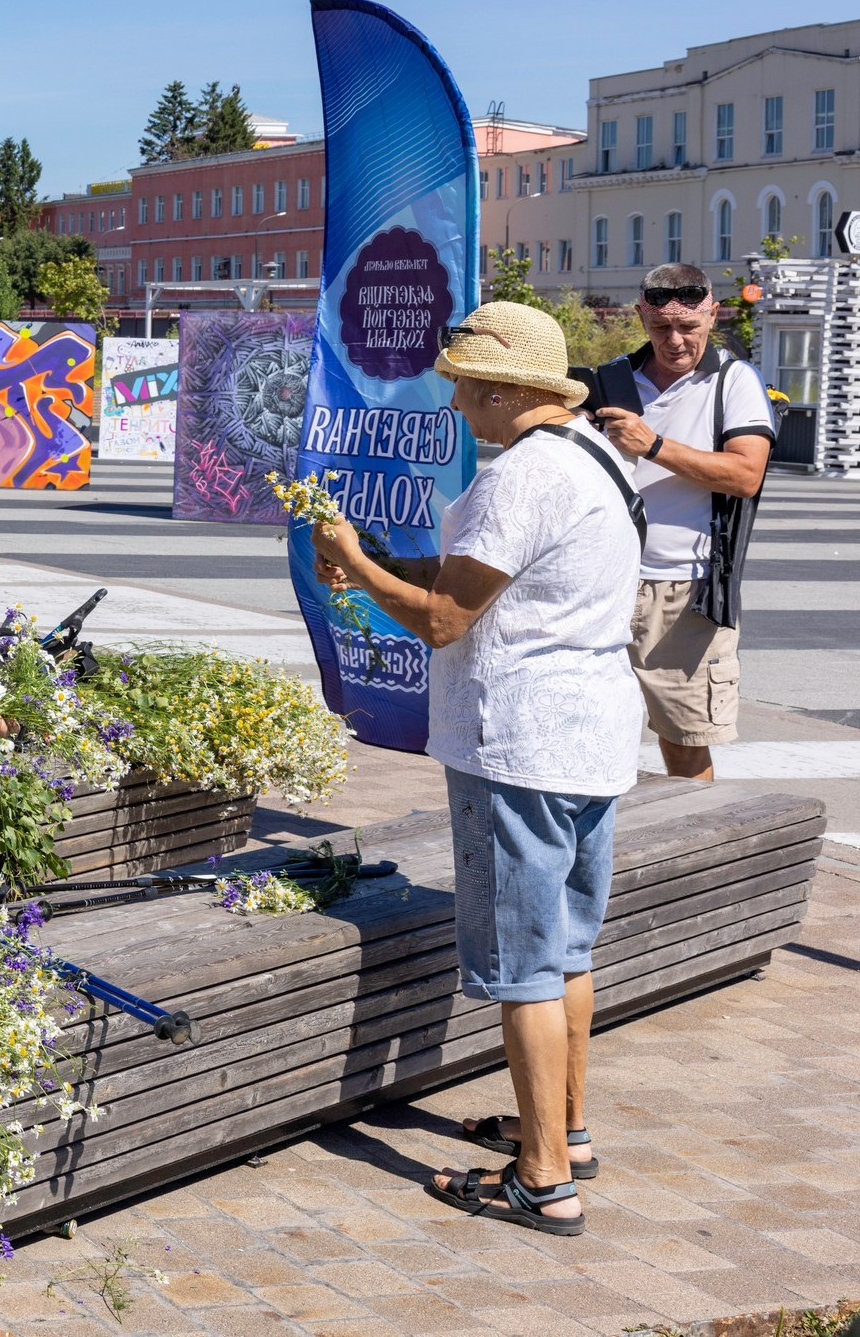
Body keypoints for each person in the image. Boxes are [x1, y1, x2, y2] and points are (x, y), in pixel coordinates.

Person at [311, 301, 643, 1237]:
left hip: (520, 742)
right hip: (592, 734)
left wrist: (355, 564)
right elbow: (487, 573)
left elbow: (447, 618)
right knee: (569, 947)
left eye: (463, 385)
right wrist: (387, 558)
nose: (455, 401)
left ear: (506, 389)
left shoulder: (518, 476)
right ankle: (564, 1129)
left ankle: (541, 1179)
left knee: (522, 965)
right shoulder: (597, 456)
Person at [577, 263, 773, 782]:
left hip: (685, 590)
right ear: (641, 316)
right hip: (605, 583)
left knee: (684, 743)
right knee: (589, 733)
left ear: (713, 313)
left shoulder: (734, 381)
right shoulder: (612, 378)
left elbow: (746, 474)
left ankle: (697, 854)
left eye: (689, 326)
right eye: (662, 327)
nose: (676, 340)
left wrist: (654, 446)